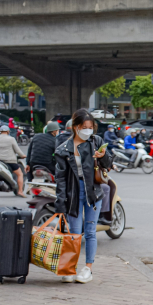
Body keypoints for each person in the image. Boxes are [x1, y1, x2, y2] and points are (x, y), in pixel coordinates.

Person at [55, 109, 113, 284]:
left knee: (90, 231)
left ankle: (88, 268)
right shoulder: (63, 148)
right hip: (73, 191)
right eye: (83, 127)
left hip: (93, 191)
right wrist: (61, 202)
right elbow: (60, 178)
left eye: (90, 127)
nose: (87, 130)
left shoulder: (97, 142)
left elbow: (108, 164)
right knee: (73, 232)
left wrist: (103, 157)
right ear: (75, 127)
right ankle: (70, 268)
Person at [0, 125, 27, 197]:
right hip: (10, 161)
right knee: (20, 174)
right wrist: (23, 155)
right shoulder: (11, 139)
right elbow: (17, 150)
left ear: (0, 131)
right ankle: (20, 191)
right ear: (8, 131)